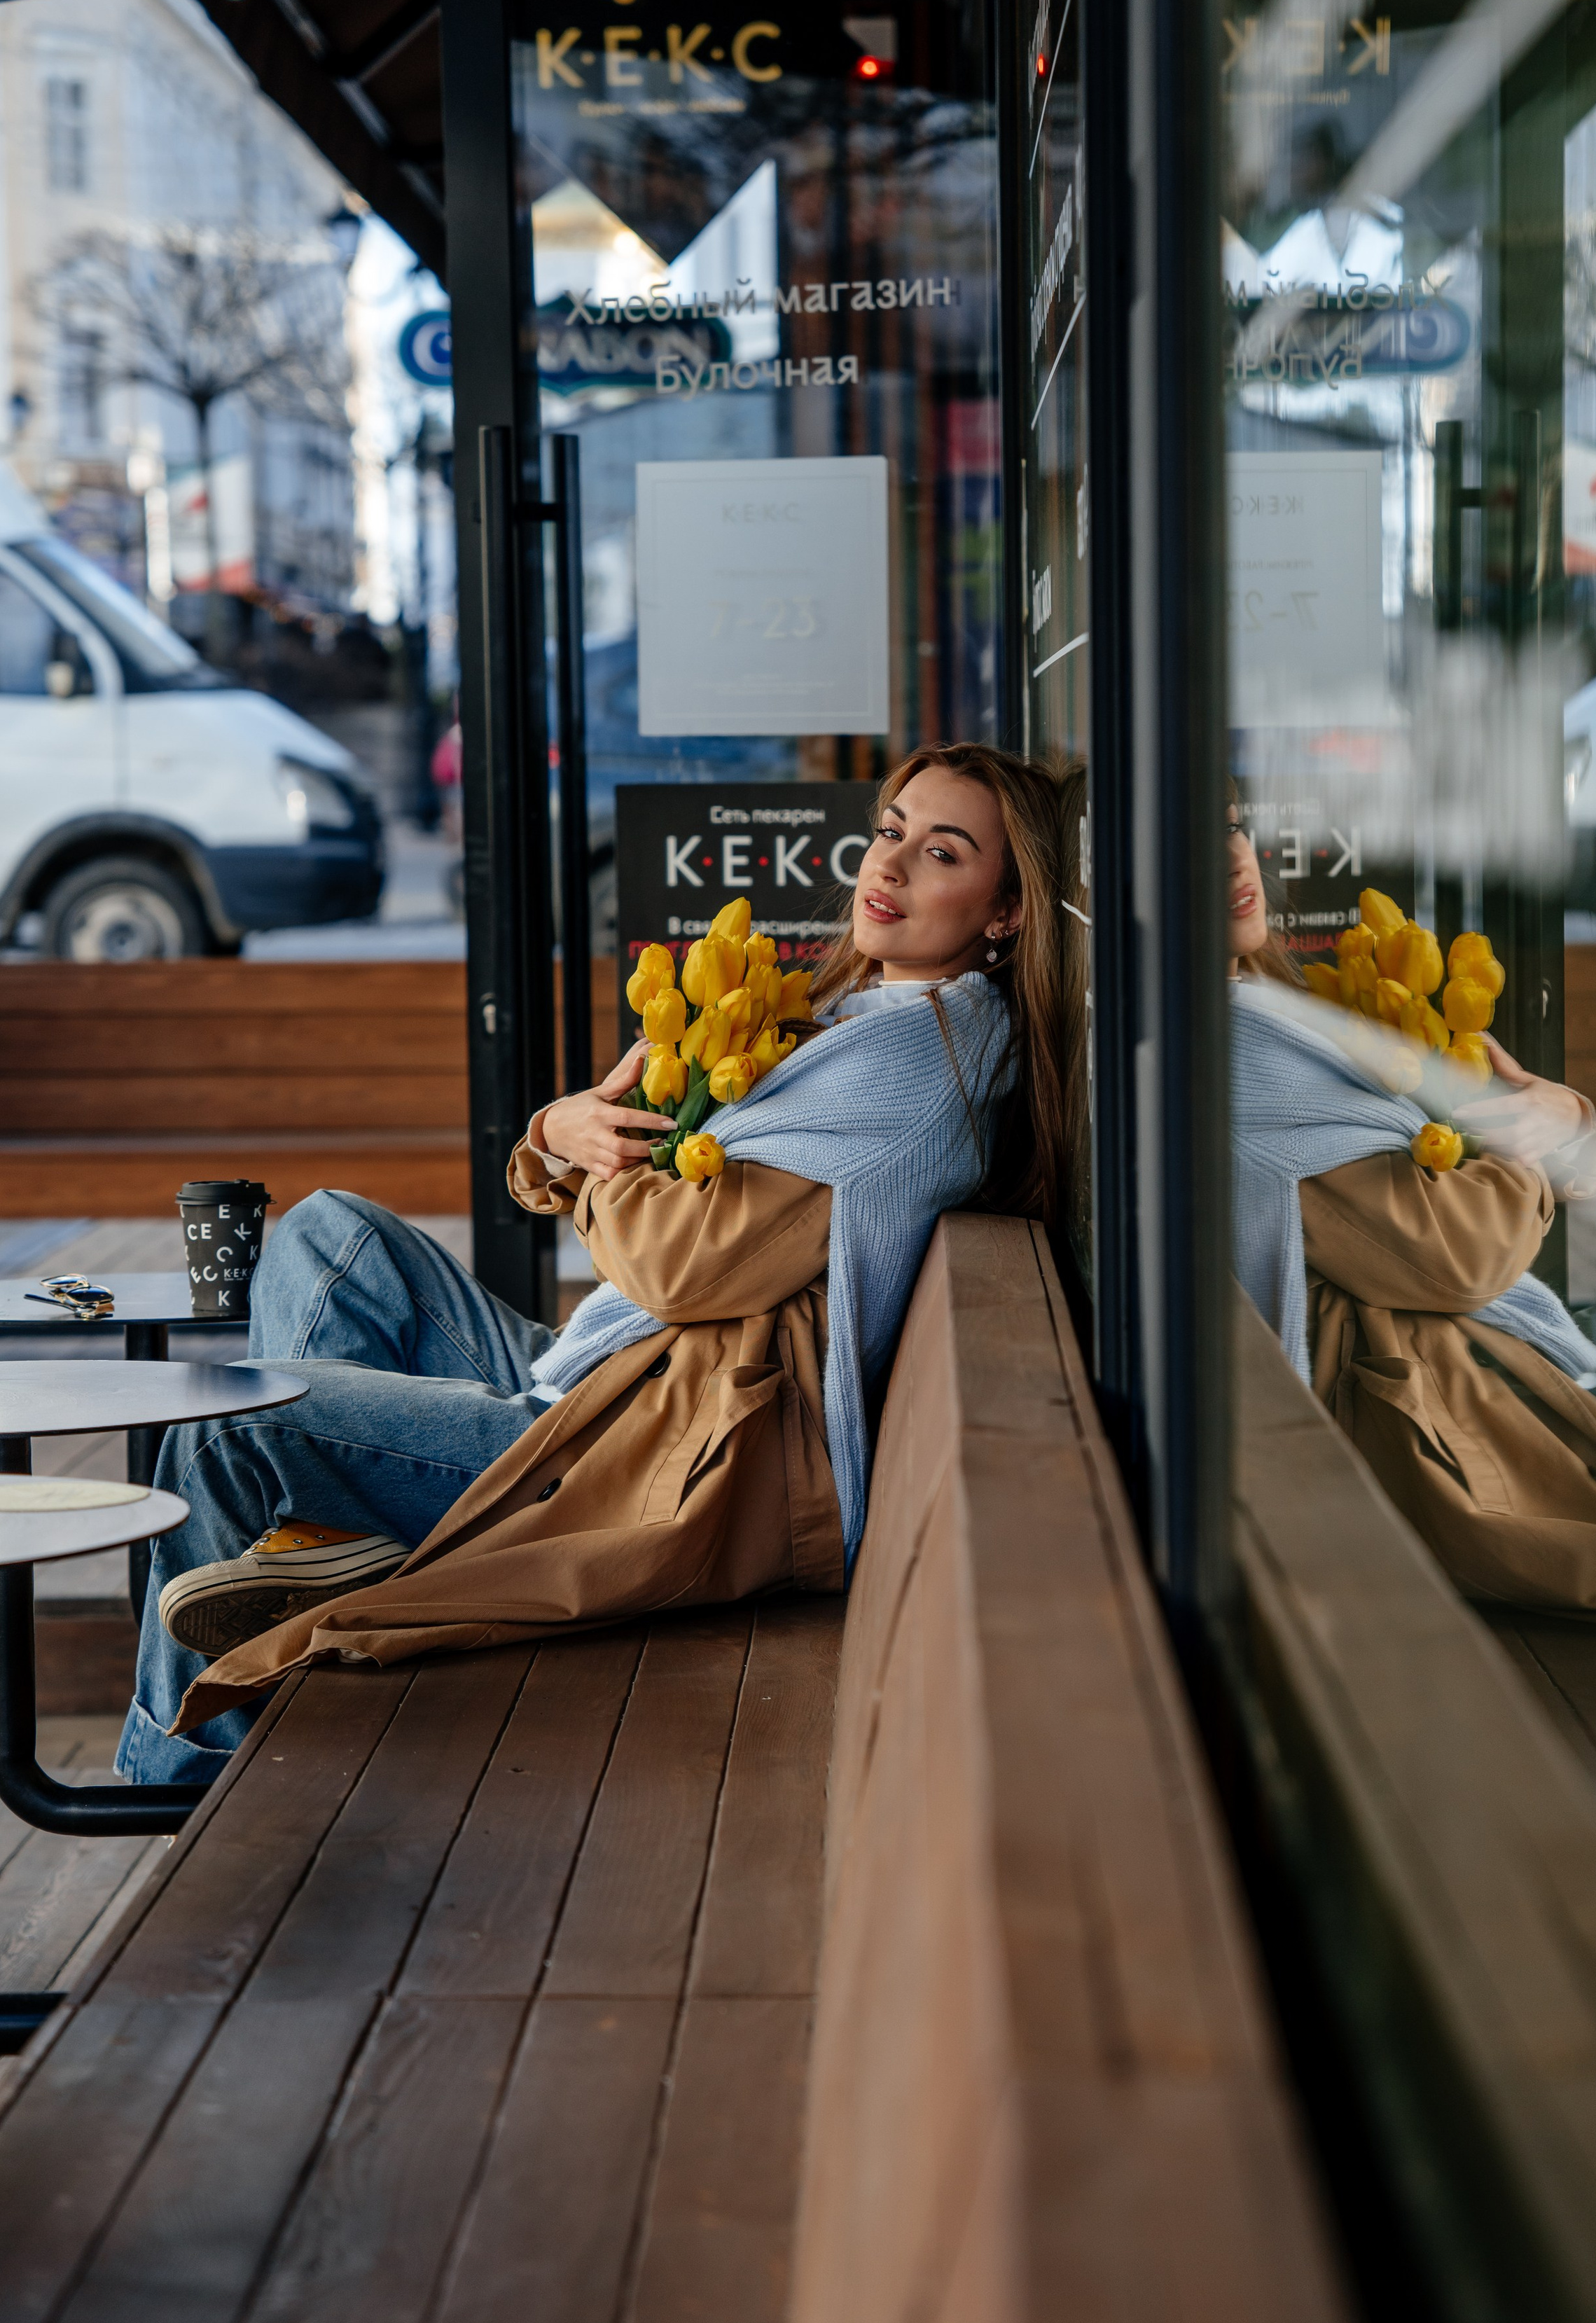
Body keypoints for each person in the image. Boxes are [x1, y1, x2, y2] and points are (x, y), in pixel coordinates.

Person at [119, 744, 1075, 1784]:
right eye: (890, 831)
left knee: (232, 1431)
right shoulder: (866, 1016)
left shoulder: (913, 1065)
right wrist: (558, 1136)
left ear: (1006, 912)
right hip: (613, 1369)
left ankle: (172, 1786)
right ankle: (325, 1551)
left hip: (642, 1443)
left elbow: (677, 1264)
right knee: (330, 1235)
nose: (887, 867)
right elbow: (672, 1190)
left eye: (942, 852)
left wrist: (576, 1151)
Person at [1228, 799, 1596, 1645]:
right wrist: (1538, 1154)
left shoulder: (1276, 1001)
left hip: (1528, 1353)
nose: (1229, 856)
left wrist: (1560, 1126)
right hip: (1505, 1436)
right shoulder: (1228, 1055)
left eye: (1229, 822)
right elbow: (1459, 1255)